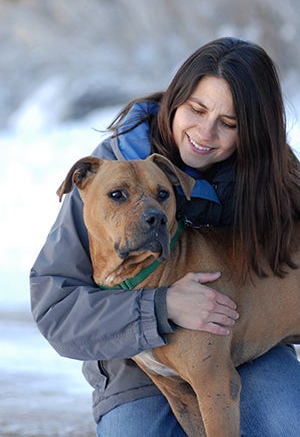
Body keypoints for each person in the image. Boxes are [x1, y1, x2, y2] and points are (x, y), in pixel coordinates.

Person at [30, 37, 300, 436]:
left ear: (252, 132)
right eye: (197, 109)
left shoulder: (268, 178)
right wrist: (161, 306)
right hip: (126, 356)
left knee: (285, 422)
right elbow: (56, 308)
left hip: (245, 344)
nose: (206, 133)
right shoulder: (107, 172)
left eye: (229, 124)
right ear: (176, 100)